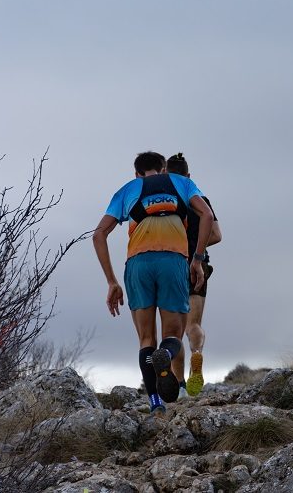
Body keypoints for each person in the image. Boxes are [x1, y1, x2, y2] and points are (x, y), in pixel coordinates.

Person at [92, 151, 214, 415]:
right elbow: (206, 216)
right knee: (172, 335)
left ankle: (156, 404)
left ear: (136, 173)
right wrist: (198, 259)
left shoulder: (127, 189)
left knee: (146, 338)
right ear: (163, 170)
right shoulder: (181, 183)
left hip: (138, 264)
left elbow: (99, 234)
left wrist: (112, 282)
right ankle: (167, 357)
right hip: (173, 261)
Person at [165, 153, 222, 398]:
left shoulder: (165, 200)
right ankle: (196, 356)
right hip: (199, 265)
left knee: (173, 330)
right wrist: (198, 247)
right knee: (194, 325)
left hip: (173, 264)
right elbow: (217, 235)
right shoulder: (201, 200)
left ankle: (179, 386)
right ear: (188, 176)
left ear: (166, 175)